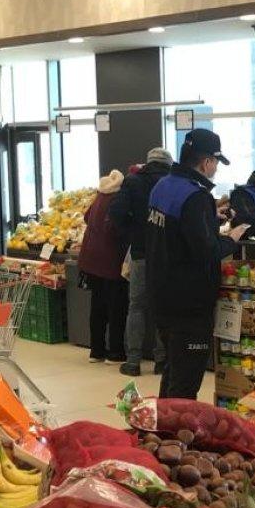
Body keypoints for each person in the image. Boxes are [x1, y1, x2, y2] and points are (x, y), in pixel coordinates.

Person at [146, 129, 245, 399]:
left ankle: (161, 434)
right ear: (206, 163)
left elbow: (175, 234)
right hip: (189, 304)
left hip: (161, 296)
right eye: (215, 163)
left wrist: (209, 217)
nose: (214, 170)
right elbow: (207, 250)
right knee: (186, 381)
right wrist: (232, 238)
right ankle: (178, 439)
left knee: (172, 370)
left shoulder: (163, 185)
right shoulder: (196, 197)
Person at [109, 146, 172, 377]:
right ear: (168, 164)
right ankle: (161, 360)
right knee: (162, 307)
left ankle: (133, 362)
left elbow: (116, 213)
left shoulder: (132, 181)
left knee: (136, 306)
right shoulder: (171, 183)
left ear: (147, 162)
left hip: (140, 253)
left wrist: (133, 233)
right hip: (166, 255)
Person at [77, 170, 128, 364]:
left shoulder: (100, 195)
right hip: (110, 259)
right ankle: (115, 352)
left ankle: (96, 351)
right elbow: (115, 228)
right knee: (116, 307)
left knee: (97, 306)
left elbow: (86, 217)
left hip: (91, 259)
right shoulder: (118, 199)